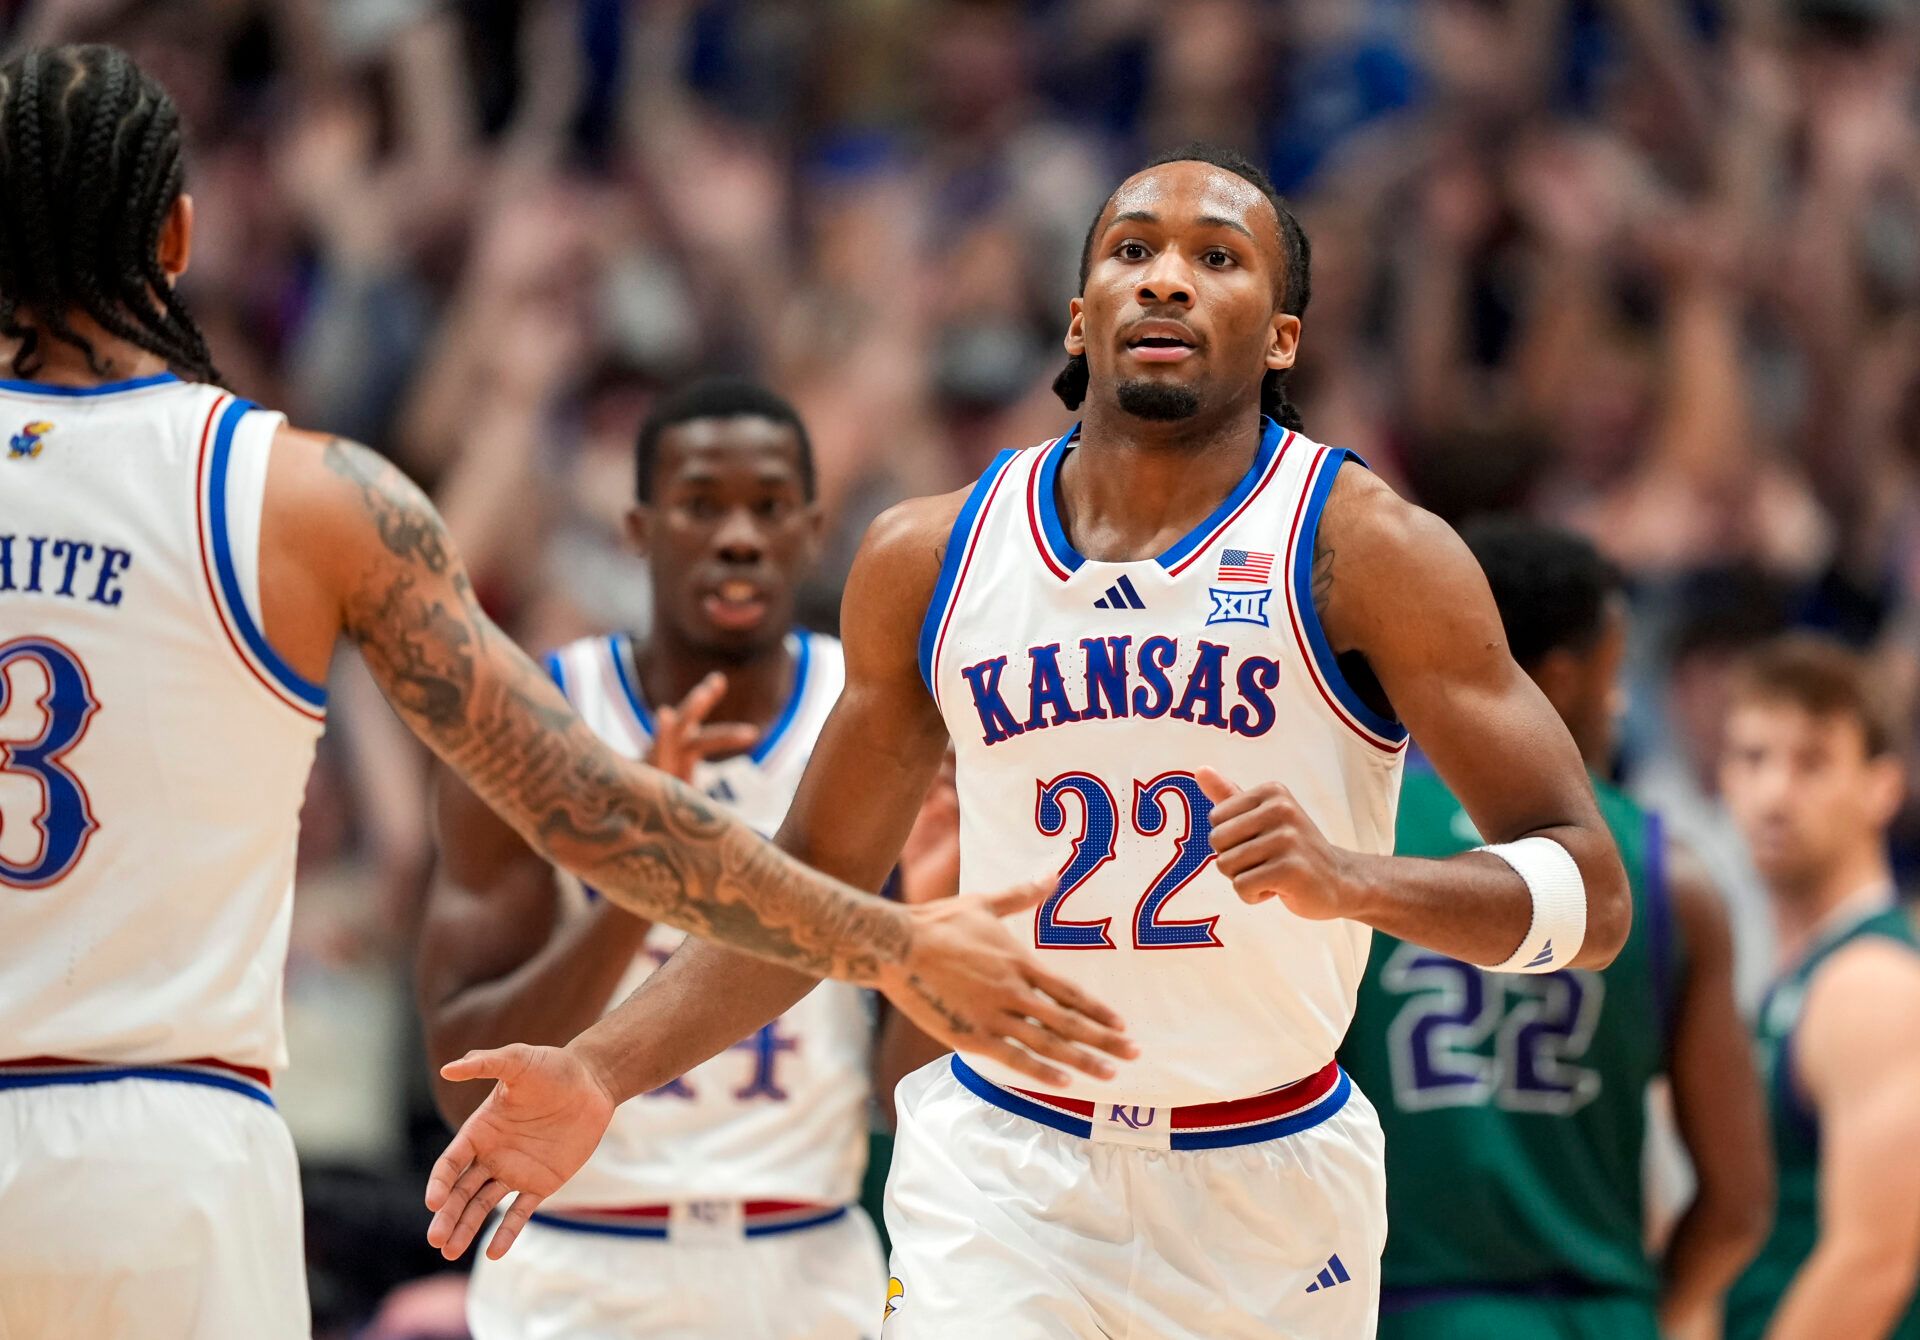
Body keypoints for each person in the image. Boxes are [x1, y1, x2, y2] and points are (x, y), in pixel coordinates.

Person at [0, 45, 1124, 1340]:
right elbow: (610, 819)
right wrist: (894, 940)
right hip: (171, 1152)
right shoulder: (307, 499)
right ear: (179, 236)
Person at [425, 142, 1632, 1340]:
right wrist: (600, 1070)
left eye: (1218, 258)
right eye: (1133, 250)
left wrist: (1353, 881)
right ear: (1078, 317)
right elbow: (816, 887)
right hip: (1004, 1165)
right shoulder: (933, 555)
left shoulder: (1366, 549)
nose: (1167, 278)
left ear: (1280, 337)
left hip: (1267, 1175)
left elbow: (1591, 890)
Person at [418, 378, 894, 1339]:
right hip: (573, 1249)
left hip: (804, 1249)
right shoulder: (531, 733)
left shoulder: (876, 721)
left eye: (768, 509)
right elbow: (454, 1072)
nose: (738, 538)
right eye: (701, 505)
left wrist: (944, 881)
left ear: (811, 529)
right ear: (637, 527)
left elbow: (906, 1087)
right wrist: (634, 878)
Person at [1339, 519, 1770, 1340]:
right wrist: (1653, 1307)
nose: (1621, 703)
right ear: (1566, 680)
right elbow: (1740, 1204)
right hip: (1599, 1312)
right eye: (1616, 678)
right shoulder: (1668, 877)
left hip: (1401, 1311)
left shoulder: (1359, 838)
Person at [1719, 637, 1920, 1340]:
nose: (1775, 793)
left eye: (1812, 763)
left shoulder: (1872, 985)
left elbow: (1875, 1260)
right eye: (1753, 759)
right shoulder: (1796, 983)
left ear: (1882, 787)